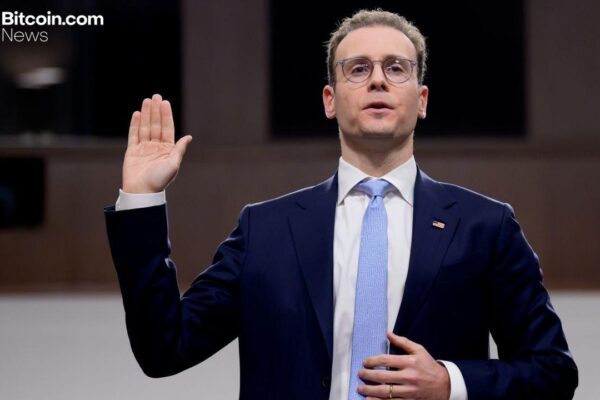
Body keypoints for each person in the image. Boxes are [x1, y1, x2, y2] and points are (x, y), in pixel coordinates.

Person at [105, 9, 577, 400]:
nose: (378, 81)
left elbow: (553, 371)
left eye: (396, 68)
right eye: (359, 69)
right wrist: (142, 198)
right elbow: (164, 349)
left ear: (422, 99)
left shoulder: (485, 226)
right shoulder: (265, 229)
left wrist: (449, 382)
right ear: (330, 100)